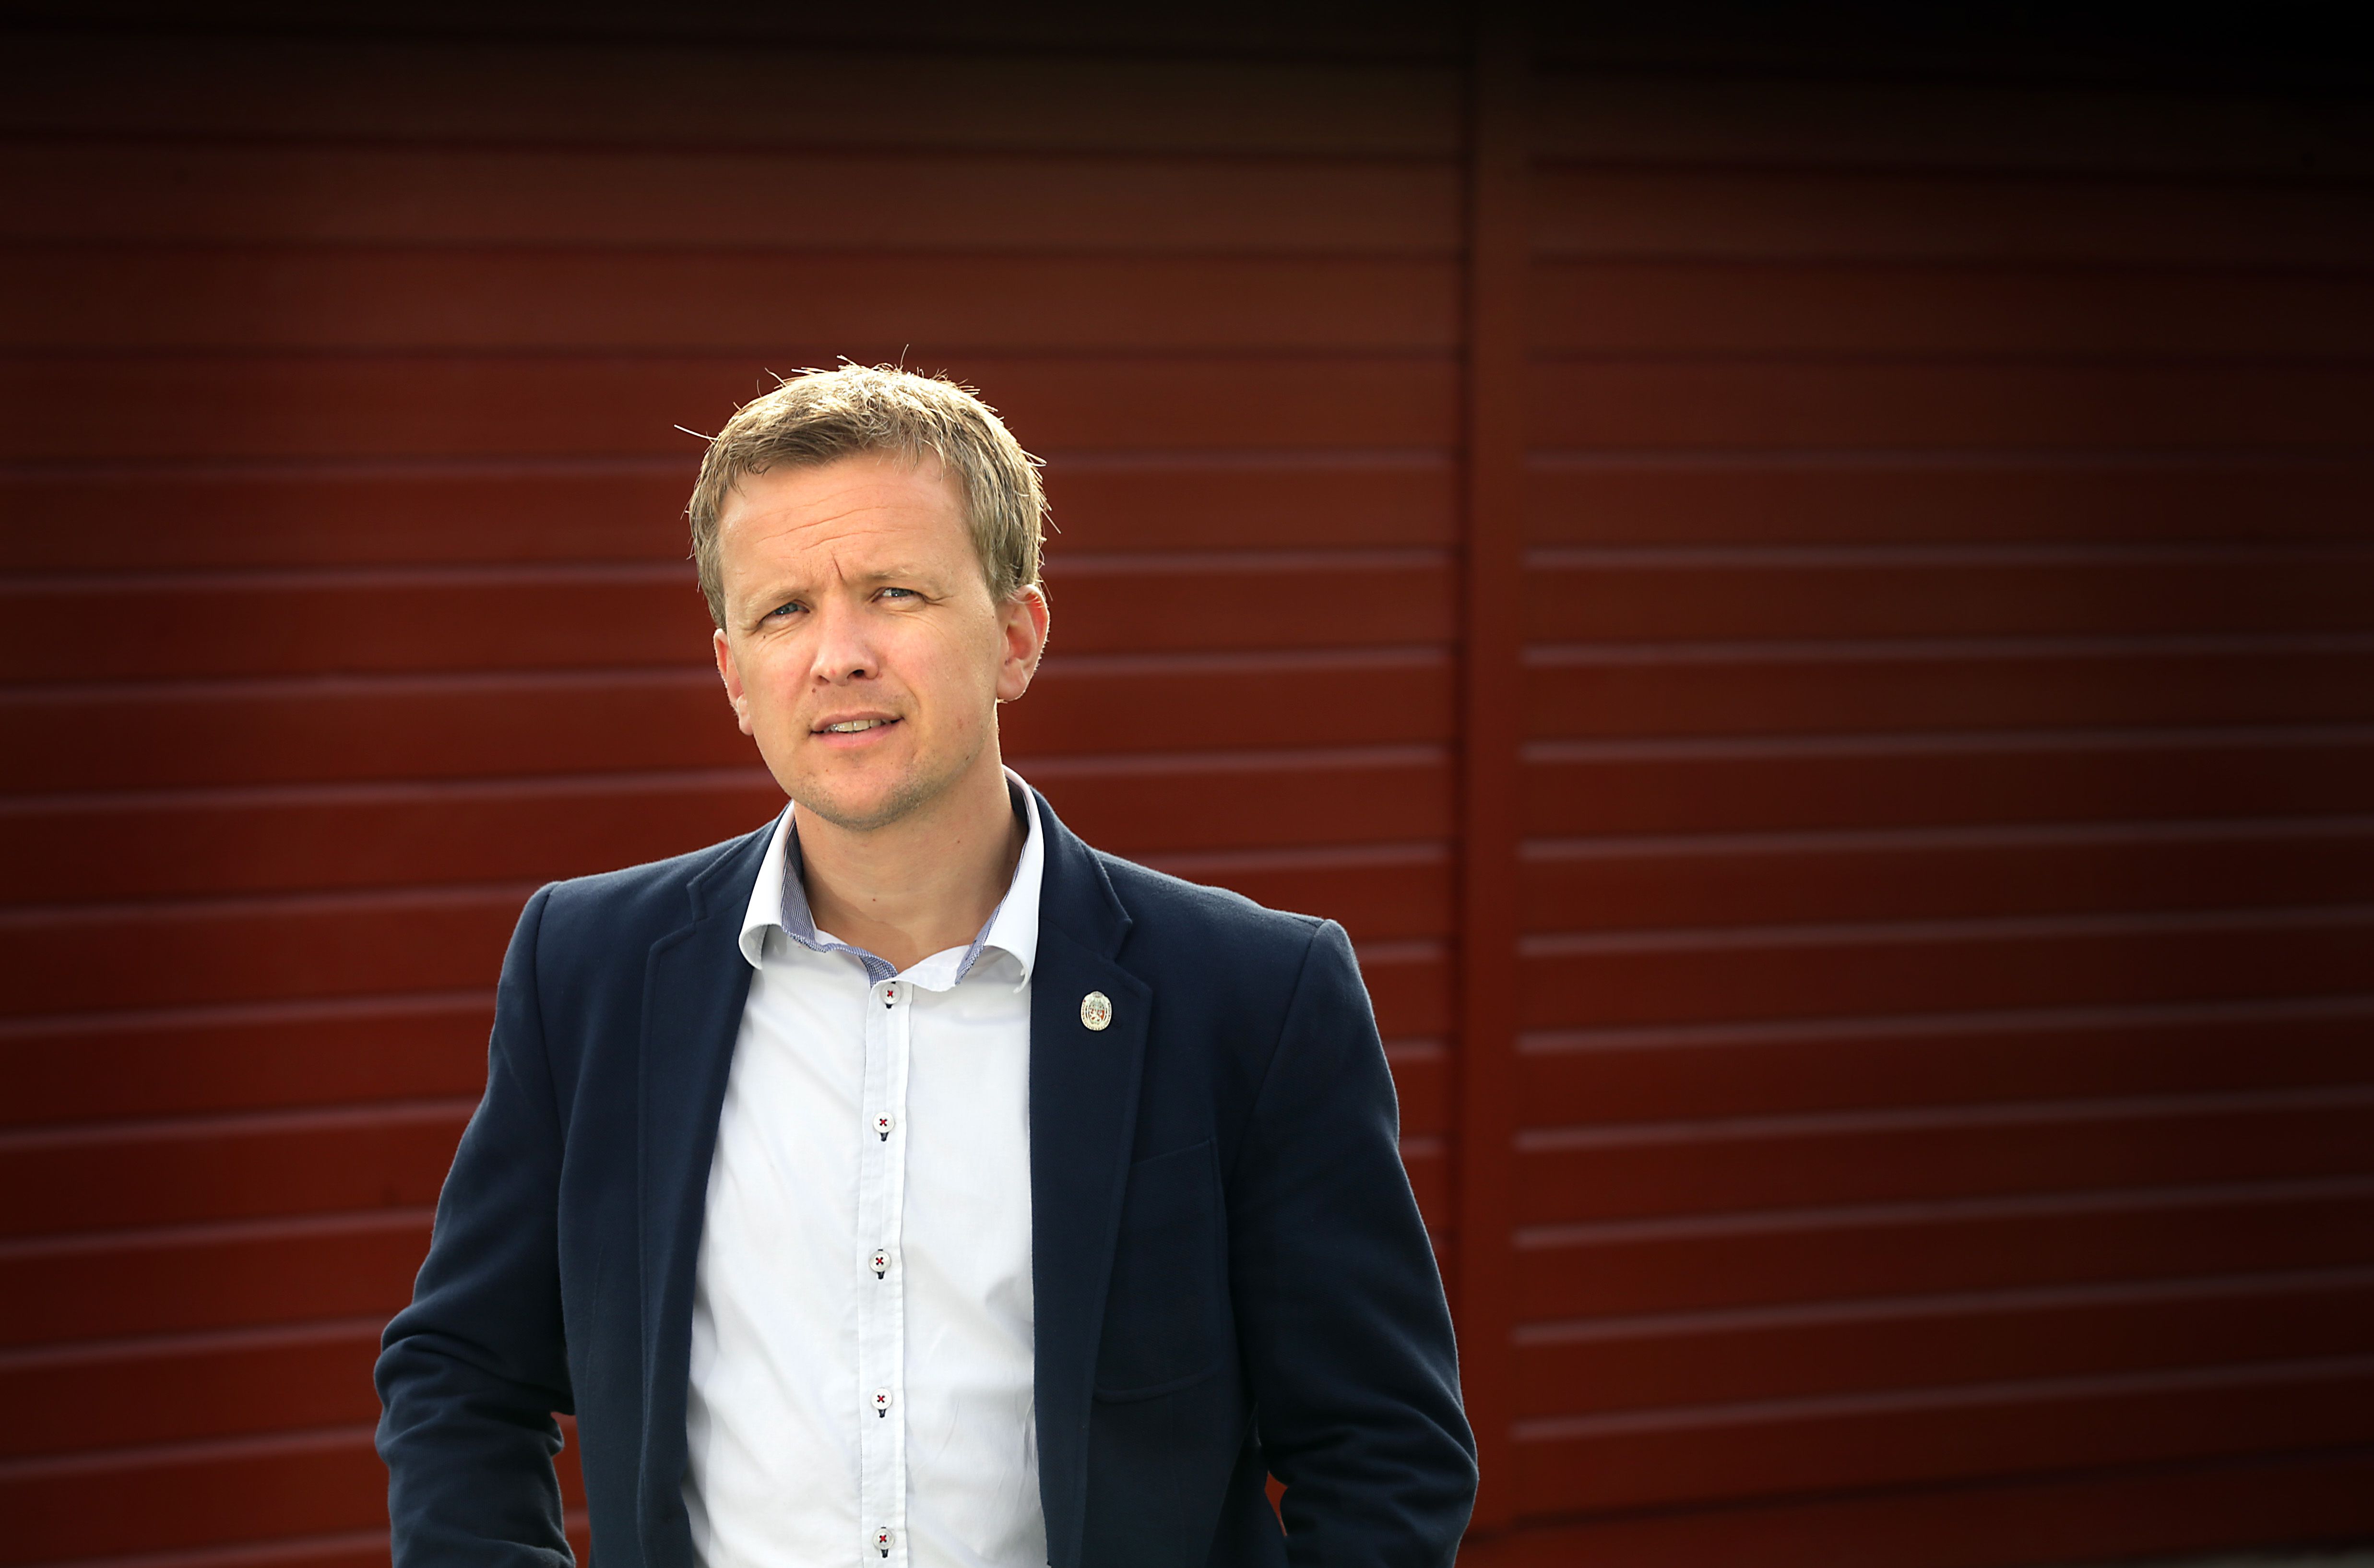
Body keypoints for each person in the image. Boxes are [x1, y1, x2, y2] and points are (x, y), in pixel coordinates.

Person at [375, 366, 1477, 1568]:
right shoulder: (589, 969)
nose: (837, 654)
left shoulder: (1255, 996)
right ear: (734, 674)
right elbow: (462, 1370)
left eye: (893, 592)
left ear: (1016, 637)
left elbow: (1384, 1450)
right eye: (783, 610)